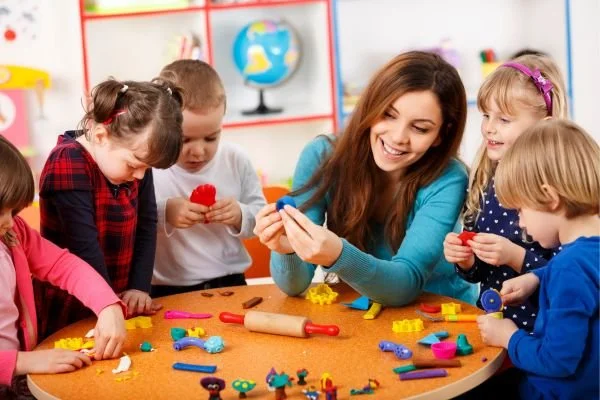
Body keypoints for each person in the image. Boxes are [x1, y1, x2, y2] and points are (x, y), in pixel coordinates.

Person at [255, 51, 477, 306]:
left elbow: (405, 285)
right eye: (389, 115)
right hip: (363, 318)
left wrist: (338, 254)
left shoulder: (448, 179)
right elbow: (294, 286)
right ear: (372, 106)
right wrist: (287, 249)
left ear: (440, 135)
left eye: (420, 128)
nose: (397, 137)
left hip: (443, 317)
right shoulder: (322, 156)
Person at [34, 78, 184, 339]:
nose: (140, 176)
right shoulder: (67, 160)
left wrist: (139, 286)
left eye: (147, 168)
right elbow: (83, 245)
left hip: (119, 301)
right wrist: (108, 304)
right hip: (73, 305)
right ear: (101, 136)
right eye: (134, 164)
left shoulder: (136, 161)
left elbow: (147, 223)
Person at [477, 119, 599, 399]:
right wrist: (536, 277)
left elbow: (557, 361)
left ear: (549, 198)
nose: (520, 223)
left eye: (520, 209)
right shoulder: (584, 255)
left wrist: (508, 336)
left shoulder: (569, 268)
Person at [444, 54, 568, 329]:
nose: (489, 127)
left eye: (504, 119)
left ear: (544, 123)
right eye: (487, 115)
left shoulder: (557, 191)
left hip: (542, 333)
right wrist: (466, 260)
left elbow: (570, 275)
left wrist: (515, 256)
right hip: (492, 328)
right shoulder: (487, 179)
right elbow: (478, 275)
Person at [0, 136, 126, 397]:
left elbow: (63, 265)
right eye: (1, 212)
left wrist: (107, 306)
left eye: (14, 212)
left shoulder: (14, 234)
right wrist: (23, 362)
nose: (10, 222)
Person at [151, 60, 266, 297]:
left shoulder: (236, 159)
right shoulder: (148, 165)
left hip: (229, 284)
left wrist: (240, 214)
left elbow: (263, 220)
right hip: (167, 290)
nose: (199, 151)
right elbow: (130, 222)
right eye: (185, 140)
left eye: (211, 138)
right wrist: (166, 212)